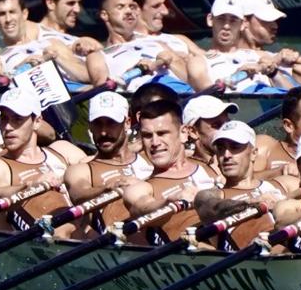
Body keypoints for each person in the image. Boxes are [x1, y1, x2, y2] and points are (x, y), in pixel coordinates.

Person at [0, 86, 85, 234]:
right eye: (4, 119)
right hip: (51, 242)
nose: (8, 127)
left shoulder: (62, 150)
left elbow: (96, 167)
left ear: (37, 122)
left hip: (87, 233)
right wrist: (31, 185)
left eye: (17, 119)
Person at [118, 99, 222, 242]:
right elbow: (141, 208)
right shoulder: (139, 187)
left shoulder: (215, 170)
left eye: (162, 133)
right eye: (147, 136)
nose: (155, 143)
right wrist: (168, 201)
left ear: (184, 133)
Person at [63, 91, 152, 237]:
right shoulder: (81, 170)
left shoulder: (150, 159)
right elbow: (77, 194)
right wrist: (107, 189)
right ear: (90, 126)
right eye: (98, 124)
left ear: (127, 123)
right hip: (112, 244)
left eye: (111, 123)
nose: (103, 132)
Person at [196, 120, 286, 251]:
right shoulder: (210, 195)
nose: (226, 155)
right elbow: (214, 208)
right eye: (221, 149)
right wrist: (251, 203)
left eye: (234, 147)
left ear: (254, 153)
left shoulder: (275, 188)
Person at [0, 0, 104, 86]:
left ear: (25, 14)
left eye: (12, 12)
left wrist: (56, 58)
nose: (8, 19)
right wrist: (22, 67)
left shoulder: (51, 44)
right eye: (1, 14)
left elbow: (87, 76)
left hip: (75, 97)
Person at [186, 0, 294, 94]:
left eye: (233, 20)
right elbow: (208, 95)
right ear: (210, 20)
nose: (226, 26)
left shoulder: (261, 56)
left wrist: (273, 72)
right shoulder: (198, 62)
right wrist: (236, 76)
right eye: (221, 19)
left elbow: (294, 98)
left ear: (243, 24)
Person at [94, 0, 193, 92]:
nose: (128, 11)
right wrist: (131, 72)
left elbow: (190, 79)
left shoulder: (157, 43)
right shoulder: (98, 56)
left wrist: (171, 63)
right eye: (120, 7)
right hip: (146, 97)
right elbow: (101, 93)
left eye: (131, 7)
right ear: (104, 15)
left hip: (180, 90)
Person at [38, 0, 103, 55]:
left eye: (78, 3)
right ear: (50, 3)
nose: (77, 10)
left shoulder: (81, 41)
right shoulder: (32, 37)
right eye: (71, 3)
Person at [182, 94, 239, 170]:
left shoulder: (243, 158)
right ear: (193, 132)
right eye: (217, 125)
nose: (226, 130)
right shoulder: (189, 173)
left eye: (228, 124)